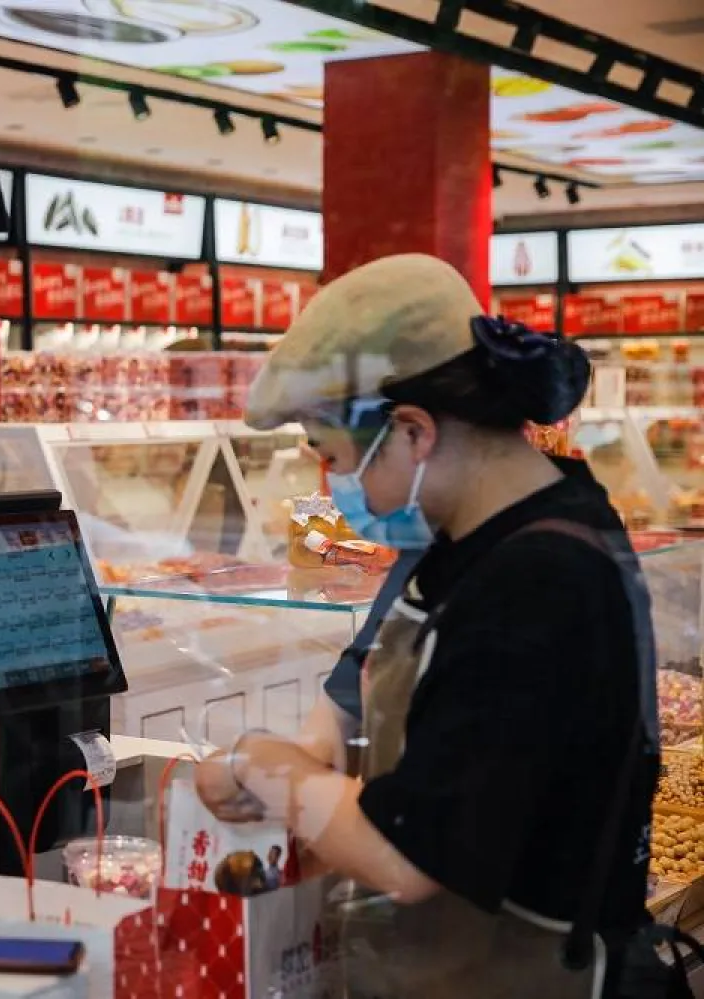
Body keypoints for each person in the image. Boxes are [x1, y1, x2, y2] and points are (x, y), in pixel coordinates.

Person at [192, 255, 660, 997]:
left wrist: (261, 764)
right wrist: (298, 775)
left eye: (338, 460)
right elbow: (376, 734)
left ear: (413, 430)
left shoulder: (537, 580)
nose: (339, 491)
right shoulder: (468, 544)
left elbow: (406, 854)